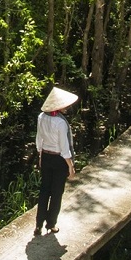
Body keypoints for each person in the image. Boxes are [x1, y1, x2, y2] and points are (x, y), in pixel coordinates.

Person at [34, 86, 78, 235]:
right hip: (59, 159)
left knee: (44, 190)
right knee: (57, 192)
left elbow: (39, 140)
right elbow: (64, 148)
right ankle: (51, 224)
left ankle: (38, 224)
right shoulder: (60, 123)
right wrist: (70, 166)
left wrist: (40, 157)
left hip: (46, 156)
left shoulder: (41, 117)